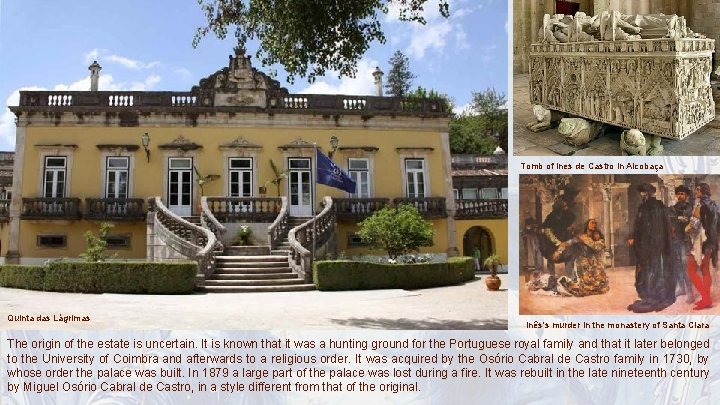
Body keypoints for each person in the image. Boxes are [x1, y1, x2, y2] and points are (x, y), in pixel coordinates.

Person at [627, 183, 676, 313]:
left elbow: (659, 228)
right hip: (649, 245)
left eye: (643, 192)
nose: (642, 195)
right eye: (641, 193)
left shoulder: (652, 207)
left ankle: (653, 297)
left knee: (652, 270)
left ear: (648, 193)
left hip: (652, 246)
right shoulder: (649, 207)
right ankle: (649, 296)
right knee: (648, 270)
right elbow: (639, 226)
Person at [554, 219, 609, 297]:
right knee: (586, 285)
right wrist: (559, 251)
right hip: (584, 264)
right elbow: (567, 243)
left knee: (600, 286)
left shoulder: (598, 238)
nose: (594, 225)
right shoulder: (581, 237)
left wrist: (590, 240)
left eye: (595, 223)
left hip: (596, 264)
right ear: (587, 225)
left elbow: (597, 247)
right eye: (592, 223)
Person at [685, 183, 717, 310]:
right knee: (705, 270)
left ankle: (706, 298)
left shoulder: (700, 205)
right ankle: (706, 299)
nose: (695, 192)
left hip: (701, 242)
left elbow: (693, 226)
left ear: (701, 191)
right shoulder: (714, 205)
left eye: (697, 190)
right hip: (711, 242)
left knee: (691, 270)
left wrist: (685, 229)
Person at [669, 185, 696, 304]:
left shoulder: (691, 208)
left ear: (687, 196)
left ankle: (690, 292)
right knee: (677, 265)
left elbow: (693, 223)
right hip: (675, 240)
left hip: (686, 241)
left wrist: (683, 220)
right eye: (678, 194)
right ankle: (681, 288)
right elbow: (670, 222)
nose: (680, 196)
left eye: (683, 194)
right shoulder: (672, 209)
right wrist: (678, 220)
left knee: (686, 267)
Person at [539, 195, 577, 277]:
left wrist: (570, 231)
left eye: (567, 206)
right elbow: (546, 229)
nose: (566, 207)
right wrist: (557, 242)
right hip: (553, 241)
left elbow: (571, 227)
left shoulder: (569, 215)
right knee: (551, 258)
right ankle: (551, 277)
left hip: (565, 239)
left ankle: (570, 277)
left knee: (569, 256)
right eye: (564, 206)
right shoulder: (551, 216)